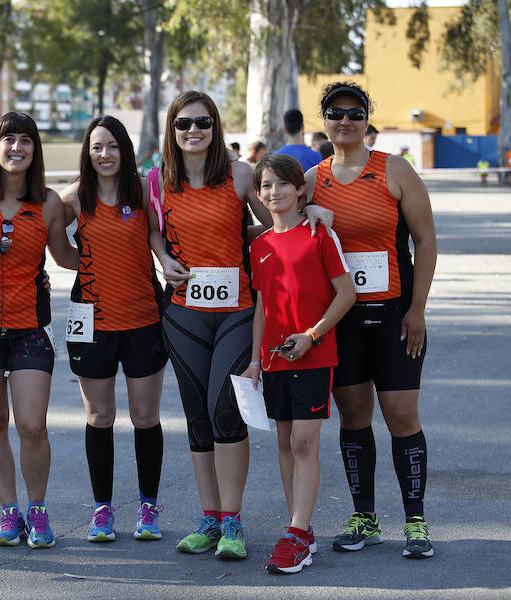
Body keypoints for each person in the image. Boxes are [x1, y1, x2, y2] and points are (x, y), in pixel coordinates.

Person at [148, 91, 332, 560]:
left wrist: (310, 209)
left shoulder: (239, 173)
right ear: (171, 128)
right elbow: (153, 228)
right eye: (184, 123)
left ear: (216, 127)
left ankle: (233, 521)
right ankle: (209, 518)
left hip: (234, 312)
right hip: (183, 312)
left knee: (224, 409)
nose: (194, 131)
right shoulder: (157, 179)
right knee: (197, 417)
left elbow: (274, 215)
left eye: (203, 122)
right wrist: (163, 256)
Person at [306, 81, 437, 559]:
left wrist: (418, 308)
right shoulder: (311, 180)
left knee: (401, 415)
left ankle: (416, 520)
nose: (345, 121)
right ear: (324, 120)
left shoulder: (394, 170)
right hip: (341, 320)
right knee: (355, 415)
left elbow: (425, 240)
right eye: (336, 113)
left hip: (396, 315)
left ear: (367, 120)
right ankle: (364, 516)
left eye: (354, 113)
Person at [0, 112, 78, 549]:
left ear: (34, 150)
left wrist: (131, 251)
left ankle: (37, 511)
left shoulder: (49, 203)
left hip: (28, 328)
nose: (16, 148)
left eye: (25, 141)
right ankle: (9, 513)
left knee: (31, 424)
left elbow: (65, 256)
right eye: (8, 140)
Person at [242, 154, 355, 574]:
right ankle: (299, 530)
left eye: (283, 184)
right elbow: (260, 309)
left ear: (300, 189)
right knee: (287, 443)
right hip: (273, 360)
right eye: (267, 186)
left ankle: (295, 533)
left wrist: (312, 335)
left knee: (304, 443)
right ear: (258, 194)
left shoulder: (319, 233)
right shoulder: (260, 246)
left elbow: (346, 295)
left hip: (314, 354)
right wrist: (255, 361)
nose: (275, 192)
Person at [59, 116, 168, 543]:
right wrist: (88, 265)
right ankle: (102, 510)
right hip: (92, 322)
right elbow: (55, 245)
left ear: (125, 150)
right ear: (87, 153)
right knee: (99, 416)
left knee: (145, 417)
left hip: (143, 319)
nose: (105, 155)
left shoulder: (143, 191)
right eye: (96, 147)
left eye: (112, 147)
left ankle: (148, 507)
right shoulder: (73, 198)